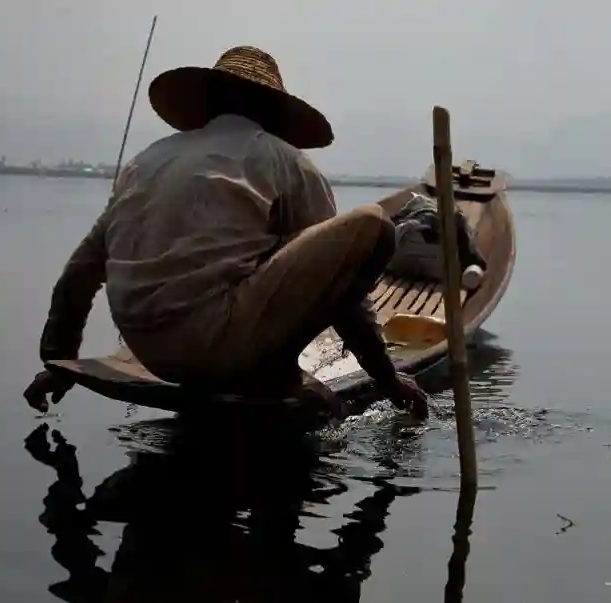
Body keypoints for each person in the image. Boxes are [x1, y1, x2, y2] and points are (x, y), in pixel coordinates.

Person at [23, 45, 428, 420]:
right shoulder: (285, 160)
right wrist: (385, 377)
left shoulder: (146, 159)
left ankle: (257, 367)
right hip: (219, 351)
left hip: (149, 354)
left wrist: (58, 362)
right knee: (373, 225)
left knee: (277, 243)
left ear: (208, 105)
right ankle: (277, 376)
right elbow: (347, 294)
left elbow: (78, 273)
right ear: (272, 113)